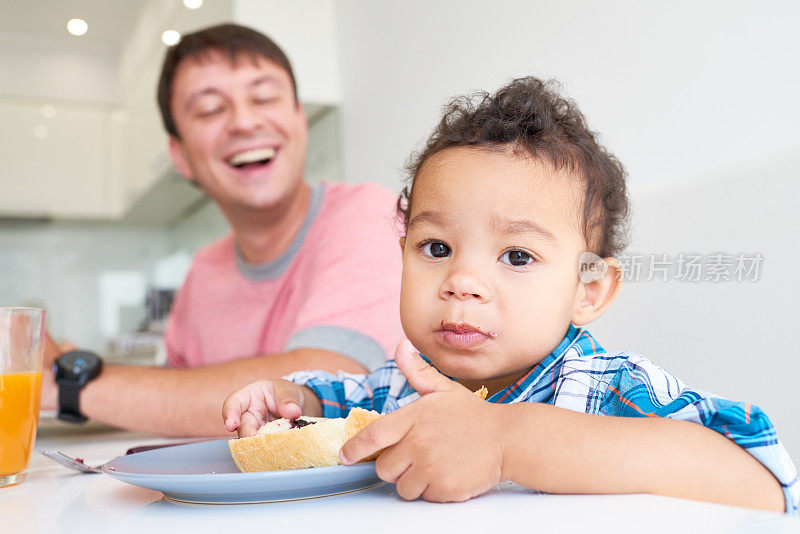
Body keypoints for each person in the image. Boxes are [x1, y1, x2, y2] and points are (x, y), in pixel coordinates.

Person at [222, 77, 799, 513]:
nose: (462, 282)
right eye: (437, 248)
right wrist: (286, 404)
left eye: (517, 256)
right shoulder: (401, 387)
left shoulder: (608, 389)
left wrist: (504, 441)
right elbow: (336, 401)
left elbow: (766, 482)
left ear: (589, 289)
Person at [40, 24, 404, 436]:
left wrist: (66, 385)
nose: (245, 122)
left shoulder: (368, 213)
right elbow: (174, 403)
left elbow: (325, 388)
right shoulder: (204, 271)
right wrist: (86, 377)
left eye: (264, 97)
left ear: (299, 120)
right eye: (211, 109)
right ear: (180, 156)